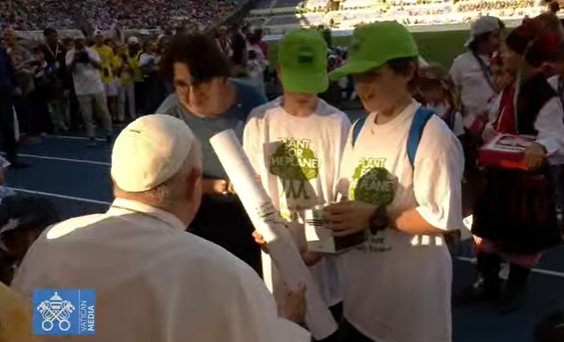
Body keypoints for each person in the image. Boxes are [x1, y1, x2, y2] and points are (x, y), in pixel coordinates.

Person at [12, 115, 309, 342]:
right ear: (195, 182)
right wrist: (288, 322)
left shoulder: (55, 245)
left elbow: (54, 327)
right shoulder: (227, 275)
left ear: (114, 180)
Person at [325, 21, 465, 342]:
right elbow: (352, 205)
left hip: (411, 314)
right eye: (357, 75)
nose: (362, 86)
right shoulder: (357, 129)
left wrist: (375, 216)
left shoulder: (430, 135)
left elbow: (440, 219)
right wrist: (319, 245)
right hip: (361, 306)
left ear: (407, 72)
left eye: (372, 74)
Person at [244, 28, 350, 323]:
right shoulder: (260, 120)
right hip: (279, 254)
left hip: (326, 265)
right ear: (278, 72)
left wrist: (319, 245)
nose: (304, 91)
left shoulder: (336, 123)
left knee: (326, 325)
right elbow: (253, 183)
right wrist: (261, 226)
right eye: (296, 81)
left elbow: (342, 192)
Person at [471, 17, 564, 312]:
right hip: (500, 174)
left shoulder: (544, 95)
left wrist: (539, 145)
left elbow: (554, 133)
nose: (503, 56)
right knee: (486, 230)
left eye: (510, 53)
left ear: (525, 57)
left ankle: (514, 289)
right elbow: (497, 121)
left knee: (523, 239)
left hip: (526, 180)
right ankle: (488, 284)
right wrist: (492, 135)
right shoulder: (512, 88)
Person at [157, 32, 267, 274]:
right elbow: (164, 186)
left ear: (221, 78)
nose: (192, 97)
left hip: (252, 220)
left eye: (201, 84)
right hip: (198, 223)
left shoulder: (253, 103)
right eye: (182, 85)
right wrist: (221, 185)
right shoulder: (169, 115)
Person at [450, 16, 505, 130]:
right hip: (472, 125)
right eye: (495, 36)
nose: (501, 40)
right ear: (481, 39)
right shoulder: (461, 63)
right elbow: (452, 94)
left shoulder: (505, 60)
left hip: (500, 121)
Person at [66, 32, 113, 146]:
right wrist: (75, 59)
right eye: (77, 41)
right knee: (87, 114)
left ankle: (108, 133)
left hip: (96, 85)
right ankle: (91, 136)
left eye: (81, 40)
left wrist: (89, 58)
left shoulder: (92, 51)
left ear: (84, 41)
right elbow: (69, 70)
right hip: (81, 87)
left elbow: (100, 66)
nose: (80, 43)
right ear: (74, 42)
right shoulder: (70, 53)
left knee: (103, 111)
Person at [0, 45, 25, 167]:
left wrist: (15, 85)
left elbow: (9, 69)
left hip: (4, 92)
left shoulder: (2, 51)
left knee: (8, 126)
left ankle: (11, 158)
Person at [92, 30, 118, 121]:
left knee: (112, 98)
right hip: (97, 78)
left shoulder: (108, 49)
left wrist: (114, 70)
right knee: (99, 100)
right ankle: (100, 117)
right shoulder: (91, 50)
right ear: (94, 39)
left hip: (108, 77)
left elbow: (113, 63)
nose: (99, 39)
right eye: (97, 38)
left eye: (100, 37)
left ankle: (113, 116)